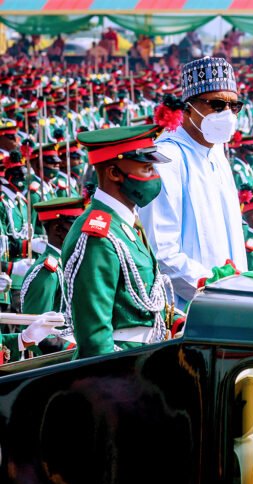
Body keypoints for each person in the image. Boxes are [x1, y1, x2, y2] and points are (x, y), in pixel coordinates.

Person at [62, 124, 179, 359]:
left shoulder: (125, 222)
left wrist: (177, 321)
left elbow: (143, 302)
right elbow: (95, 340)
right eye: (147, 168)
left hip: (142, 356)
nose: (155, 177)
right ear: (114, 173)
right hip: (121, 364)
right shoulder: (98, 235)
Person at [139, 57, 247, 307]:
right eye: (217, 105)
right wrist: (213, 289)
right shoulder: (166, 158)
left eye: (234, 106)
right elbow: (162, 252)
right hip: (190, 307)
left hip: (232, 297)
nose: (227, 114)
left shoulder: (217, 151)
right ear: (187, 108)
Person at [20, 196, 85, 351]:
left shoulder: (67, 262)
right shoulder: (47, 273)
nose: (82, 232)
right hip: (61, 359)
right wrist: (77, 350)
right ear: (58, 230)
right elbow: (35, 334)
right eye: (76, 226)